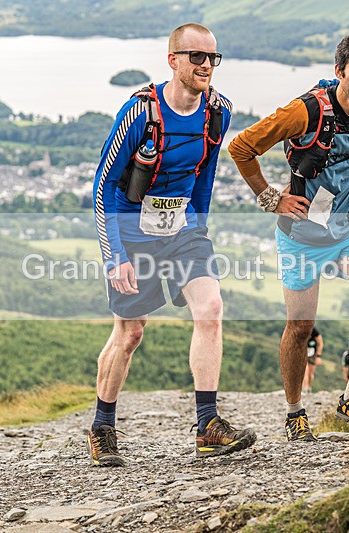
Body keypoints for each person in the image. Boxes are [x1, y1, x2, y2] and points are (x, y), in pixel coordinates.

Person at [229, 31, 349, 440]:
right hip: (302, 235)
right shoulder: (306, 111)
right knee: (300, 327)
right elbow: (242, 147)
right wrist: (271, 198)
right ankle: (295, 412)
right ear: (339, 71)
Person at [88, 23, 255, 466]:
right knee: (130, 333)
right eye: (196, 57)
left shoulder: (218, 111)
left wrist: (199, 232)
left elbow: (205, 176)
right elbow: (103, 186)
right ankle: (102, 427)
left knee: (211, 309)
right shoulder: (139, 114)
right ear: (173, 60)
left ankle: (207, 425)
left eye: (212, 58)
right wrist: (114, 257)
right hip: (133, 233)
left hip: (183, 230)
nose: (206, 65)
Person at [301, 326, 324, 394]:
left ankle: (309, 387)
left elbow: (320, 343)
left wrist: (318, 356)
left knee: (310, 374)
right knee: (305, 371)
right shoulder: (299, 328)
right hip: (302, 353)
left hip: (312, 354)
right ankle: (304, 389)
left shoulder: (314, 330)